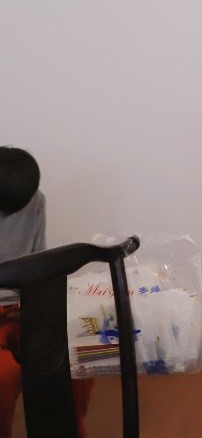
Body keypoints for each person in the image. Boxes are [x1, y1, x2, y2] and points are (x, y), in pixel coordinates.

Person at [0, 146, 91, 438]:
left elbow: (38, 263)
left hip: (19, 307)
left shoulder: (35, 201)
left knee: (75, 351)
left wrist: (36, 306)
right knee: (3, 375)